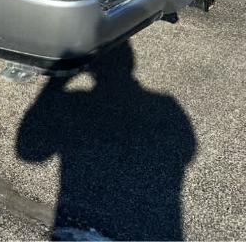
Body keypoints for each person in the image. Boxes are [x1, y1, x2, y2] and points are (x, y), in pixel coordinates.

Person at [16, 43, 197, 241]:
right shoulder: (165, 106)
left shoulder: (76, 105)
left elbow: (29, 151)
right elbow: (186, 151)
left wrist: (56, 82)